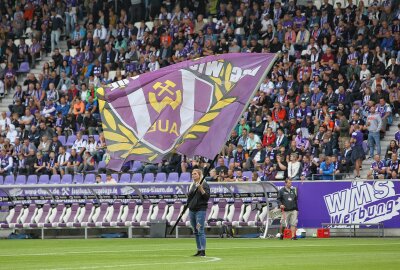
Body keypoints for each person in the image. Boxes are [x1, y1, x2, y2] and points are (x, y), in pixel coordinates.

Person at [188, 169, 210, 257]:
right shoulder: (192, 185)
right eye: (192, 174)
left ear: (200, 175)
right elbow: (189, 198)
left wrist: (201, 188)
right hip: (192, 210)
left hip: (200, 210)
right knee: (195, 231)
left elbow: (206, 197)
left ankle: (203, 250)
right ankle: (199, 249)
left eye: (195, 174)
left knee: (200, 229)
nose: (193, 175)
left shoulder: (204, 184)